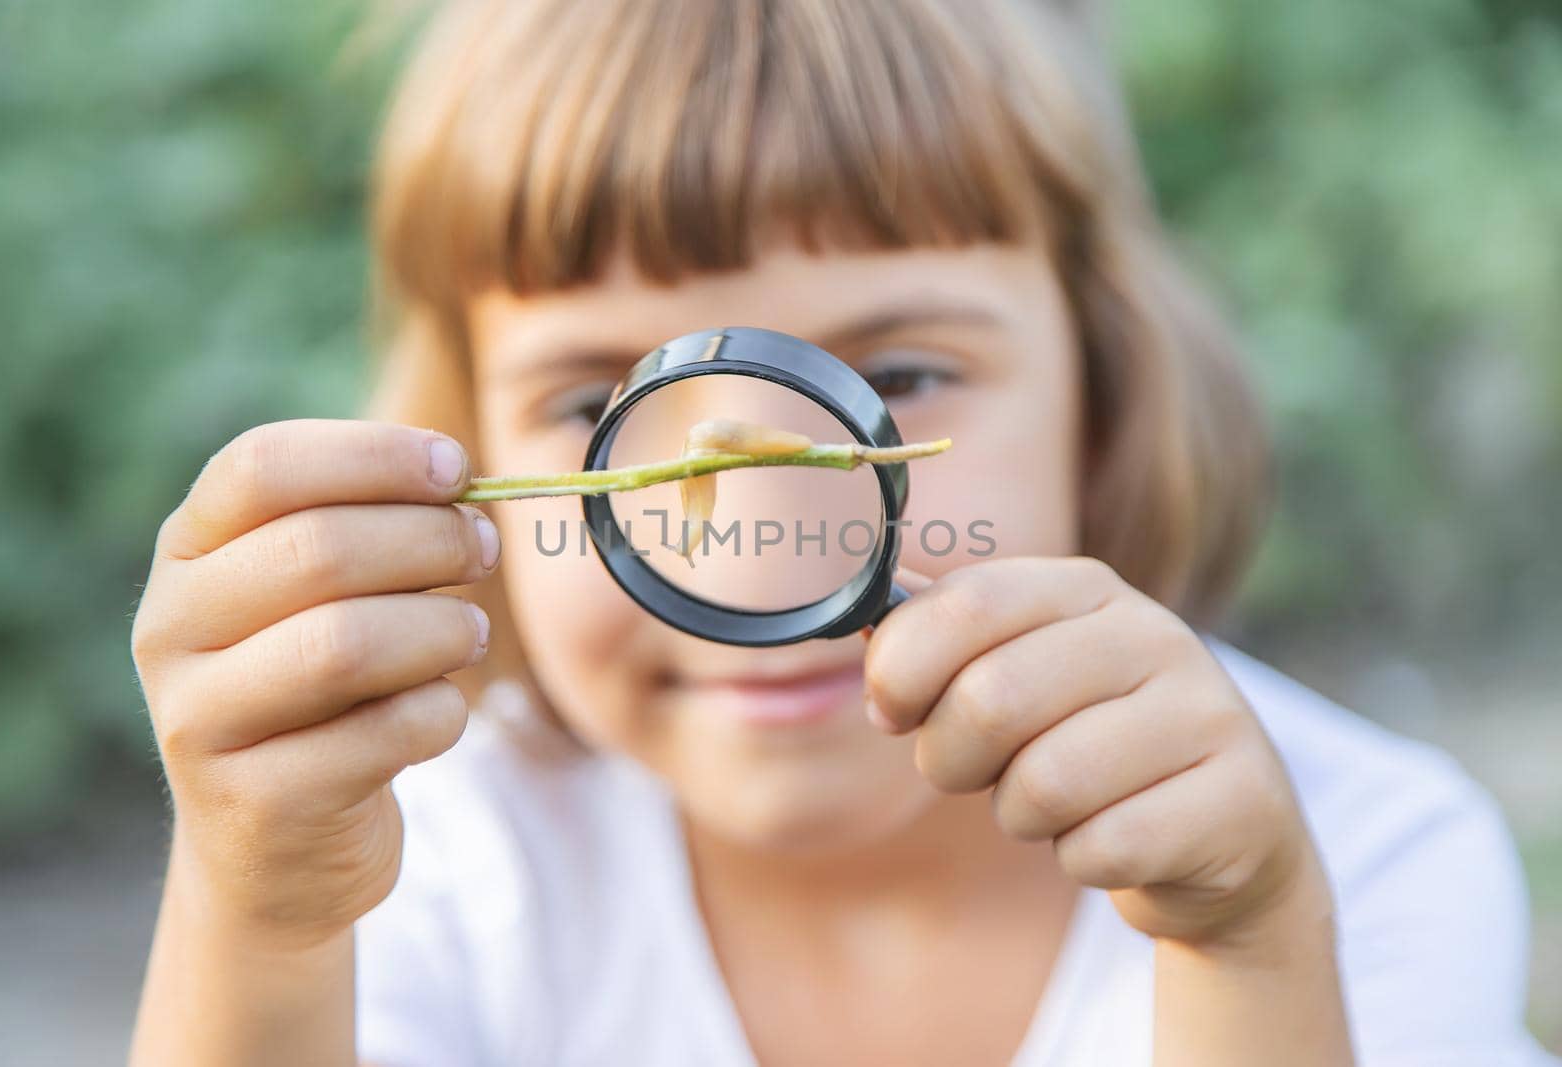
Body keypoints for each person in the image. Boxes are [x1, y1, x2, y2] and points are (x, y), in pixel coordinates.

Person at [126, 1, 1556, 1064]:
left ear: (1105, 396)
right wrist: (263, 917)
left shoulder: (1354, 856)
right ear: (476, 450)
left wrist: (1248, 947)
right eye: (592, 399)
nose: (756, 537)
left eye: (908, 376)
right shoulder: (433, 867)